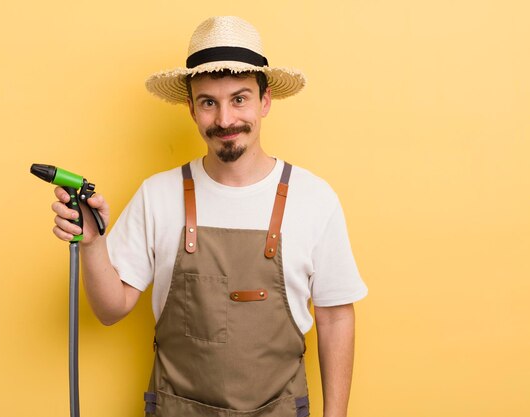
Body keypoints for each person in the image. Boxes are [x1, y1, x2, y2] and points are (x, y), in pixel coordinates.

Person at [51, 16, 367, 417]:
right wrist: (93, 243)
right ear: (191, 107)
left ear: (264, 101)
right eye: (208, 103)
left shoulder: (315, 198)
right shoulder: (157, 195)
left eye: (239, 99)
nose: (225, 120)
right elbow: (110, 309)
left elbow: (336, 318)